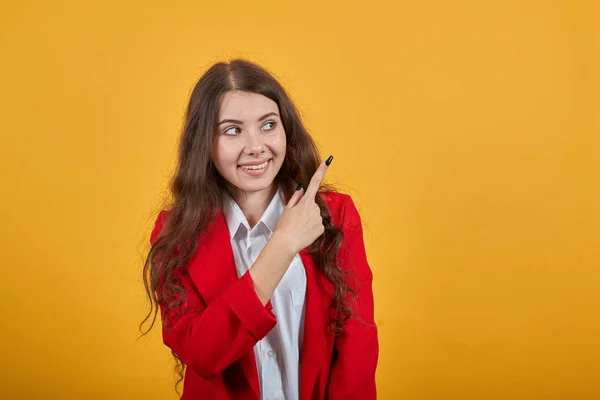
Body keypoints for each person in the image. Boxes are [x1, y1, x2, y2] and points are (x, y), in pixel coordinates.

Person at [141, 59, 378, 399]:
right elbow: (202, 355)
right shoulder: (176, 233)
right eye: (232, 130)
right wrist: (282, 245)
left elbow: (358, 349)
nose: (256, 145)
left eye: (268, 125)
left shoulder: (335, 215)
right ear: (204, 143)